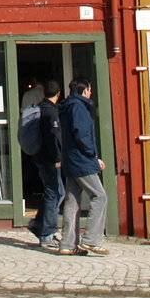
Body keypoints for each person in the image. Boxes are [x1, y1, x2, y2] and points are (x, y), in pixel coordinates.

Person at [57, 77, 109, 255]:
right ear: (84, 90)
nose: (91, 92)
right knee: (100, 196)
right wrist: (93, 156)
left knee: (72, 201)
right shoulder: (79, 107)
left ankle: (67, 244)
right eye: (89, 89)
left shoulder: (67, 106)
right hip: (81, 160)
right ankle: (91, 239)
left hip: (70, 159)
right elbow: (82, 134)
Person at [28, 78, 64, 249]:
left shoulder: (40, 108)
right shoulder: (51, 112)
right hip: (49, 159)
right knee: (55, 193)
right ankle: (47, 233)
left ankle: (38, 223)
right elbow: (53, 138)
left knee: (54, 192)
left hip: (39, 157)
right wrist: (57, 158)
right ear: (58, 94)